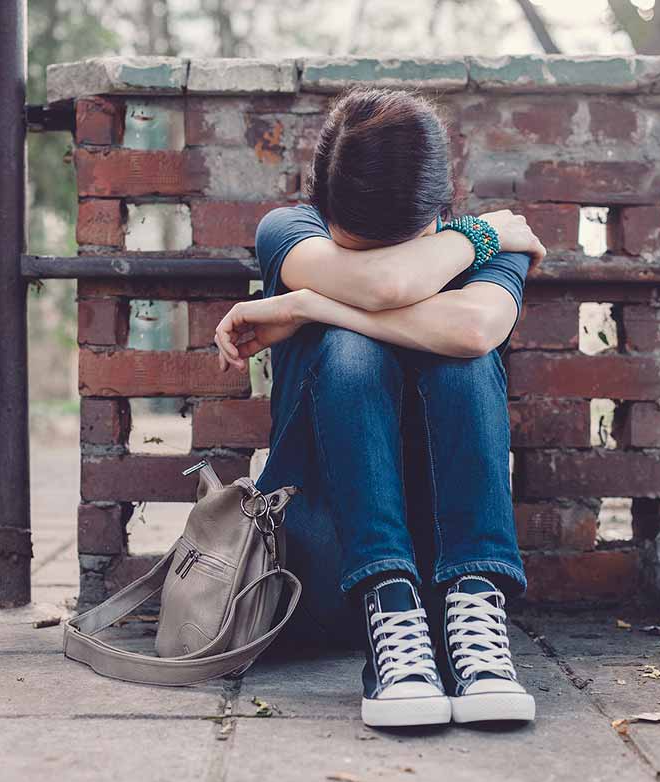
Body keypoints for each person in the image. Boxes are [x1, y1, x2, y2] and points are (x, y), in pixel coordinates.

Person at [213, 88, 545, 728]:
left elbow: (475, 331)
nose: (371, 261)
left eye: (394, 243)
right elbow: (386, 287)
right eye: (354, 246)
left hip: (449, 577)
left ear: (433, 215)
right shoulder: (289, 230)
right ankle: (388, 601)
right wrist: (480, 235)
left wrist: (308, 304)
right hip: (321, 564)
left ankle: (477, 619)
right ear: (323, 204)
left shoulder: (487, 248)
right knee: (351, 348)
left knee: (464, 357)